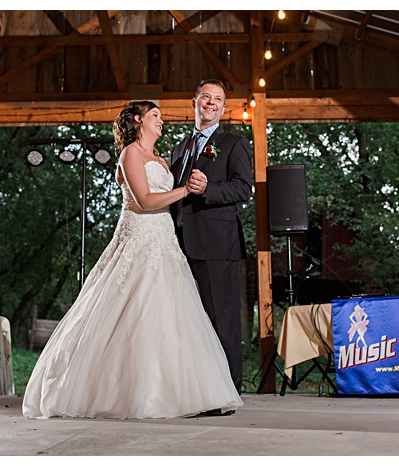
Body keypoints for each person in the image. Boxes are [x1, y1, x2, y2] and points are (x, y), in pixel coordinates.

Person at [21, 101, 244, 419]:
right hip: (138, 235)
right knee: (127, 307)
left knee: (170, 316)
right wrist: (185, 192)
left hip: (164, 239)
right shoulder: (130, 154)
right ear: (138, 120)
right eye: (156, 116)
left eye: (161, 117)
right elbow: (145, 200)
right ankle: (117, 390)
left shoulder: (162, 159)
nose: (161, 121)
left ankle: (173, 391)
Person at [172, 79, 257, 410]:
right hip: (179, 245)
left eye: (217, 99)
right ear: (193, 102)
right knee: (190, 321)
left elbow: (242, 188)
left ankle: (226, 393)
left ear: (223, 107)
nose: (211, 102)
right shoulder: (180, 148)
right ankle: (197, 391)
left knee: (221, 319)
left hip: (217, 244)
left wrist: (210, 187)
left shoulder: (234, 143)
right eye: (205, 97)